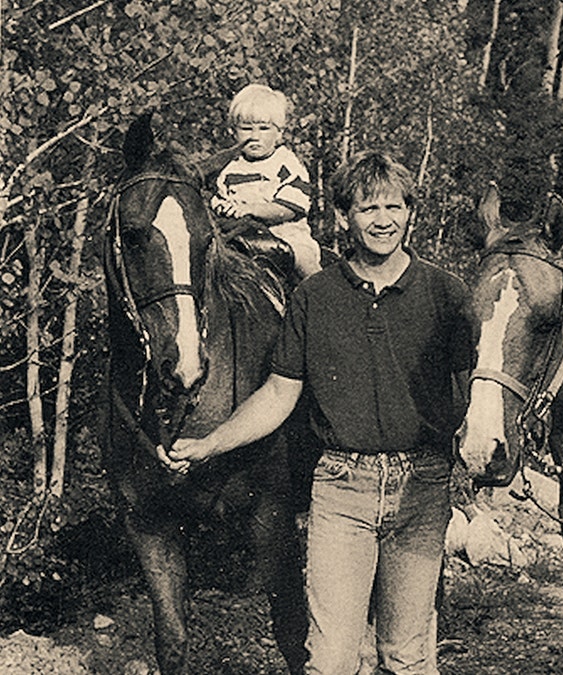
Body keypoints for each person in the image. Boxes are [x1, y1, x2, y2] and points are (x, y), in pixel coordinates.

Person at [165, 151, 478, 674]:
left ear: (410, 213)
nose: (382, 219)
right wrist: (209, 443)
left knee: (406, 656)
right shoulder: (315, 296)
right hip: (341, 490)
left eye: (394, 206)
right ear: (341, 217)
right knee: (330, 659)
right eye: (367, 208)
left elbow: (474, 388)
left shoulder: (446, 294)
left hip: (421, 489)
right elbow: (278, 394)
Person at [212, 83, 323, 279]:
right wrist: (222, 207)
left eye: (264, 129)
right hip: (241, 237)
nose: (255, 137)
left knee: (304, 259)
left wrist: (251, 209)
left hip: (285, 235)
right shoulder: (229, 169)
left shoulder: (286, 164)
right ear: (233, 132)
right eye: (246, 129)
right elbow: (218, 199)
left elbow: (289, 208)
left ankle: (321, 299)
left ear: (279, 132)